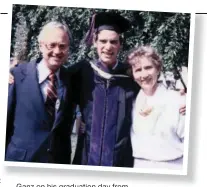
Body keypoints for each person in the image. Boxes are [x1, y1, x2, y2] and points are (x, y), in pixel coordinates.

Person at [71, 12, 139, 167]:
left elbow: (154, 93)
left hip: (121, 160)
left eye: (113, 42)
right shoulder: (82, 71)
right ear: (94, 42)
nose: (108, 47)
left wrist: (181, 98)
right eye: (103, 41)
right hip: (86, 157)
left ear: (120, 44)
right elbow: (53, 76)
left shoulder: (131, 77)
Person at [5, 21, 74, 164]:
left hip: (57, 164)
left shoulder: (72, 79)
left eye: (62, 46)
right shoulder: (17, 76)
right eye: (51, 45)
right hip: (20, 162)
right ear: (41, 46)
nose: (57, 51)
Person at [127, 46, 186, 170]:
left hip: (173, 167)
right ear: (132, 74)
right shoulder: (130, 103)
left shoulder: (177, 101)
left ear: (158, 69)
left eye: (148, 67)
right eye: (138, 70)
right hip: (140, 167)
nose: (144, 74)